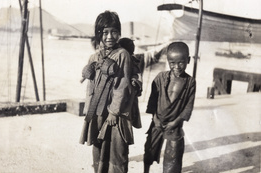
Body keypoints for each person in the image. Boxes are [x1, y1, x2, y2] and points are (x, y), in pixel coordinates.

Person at [79, 11, 140, 173]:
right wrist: (88, 111)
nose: (109, 36)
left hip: (116, 114)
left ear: (119, 33)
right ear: (98, 34)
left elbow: (123, 85)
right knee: (98, 149)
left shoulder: (123, 55)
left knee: (117, 151)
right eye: (105, 32)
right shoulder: (94, 57)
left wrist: (114, 112)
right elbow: (90, 88)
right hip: (98, 112)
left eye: (114, 32)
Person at [143, 42, 196, 173]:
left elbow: (188, 107)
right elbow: (152, 101)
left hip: (175, 124)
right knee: (150, 149)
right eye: (172, 63)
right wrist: (155, 118)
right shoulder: (160, 78)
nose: (176, 67)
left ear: (188, 60)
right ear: (168, 61)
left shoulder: (190, 82)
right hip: (157, 121)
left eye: (181, 63)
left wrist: (175, 122)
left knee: (173, 156)